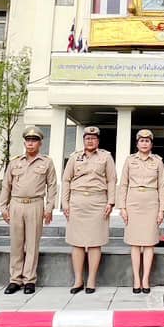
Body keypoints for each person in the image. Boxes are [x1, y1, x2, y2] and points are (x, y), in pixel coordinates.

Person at [0, 126, 57, 295]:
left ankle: (29, 279)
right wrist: (3, 206)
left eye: (34, 140)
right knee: (16, 244)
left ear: (40, 143)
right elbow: (6, 185)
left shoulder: (46, 162)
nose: (30, 143)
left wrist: (49, 208)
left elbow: (52, 186)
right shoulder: (15, 162)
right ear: (24, 142)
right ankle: (15, 279)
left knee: (32, 244)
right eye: (28, 140)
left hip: (35, 204)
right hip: (16, 204)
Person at [62, 125, 117, 293]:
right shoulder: (74, 157)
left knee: (95, 243)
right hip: (77, 202)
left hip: (97, 202)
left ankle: (91, 279)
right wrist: (65, 203)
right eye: (87, 138)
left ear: (98, 141)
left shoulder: (106, 157)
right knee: (77, 243)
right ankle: (78, 280)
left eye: (93, 138)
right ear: (83, 140)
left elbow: (111, 180)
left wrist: (110, 202)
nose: (90, 141)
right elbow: (66, 180)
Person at [117, 128, 164, 293]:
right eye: (141, 141)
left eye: (147, 141)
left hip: (151, 204)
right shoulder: (130, 160)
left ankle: (145, 279)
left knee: (149, 242)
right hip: (133, 203)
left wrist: (162, 209)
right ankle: (136, 279)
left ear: (151, 144)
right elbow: (123, 184)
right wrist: (122, 207)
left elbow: (162, 186)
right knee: (135, 243)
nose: (144, 143)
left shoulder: (157, 161)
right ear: (137, 143)